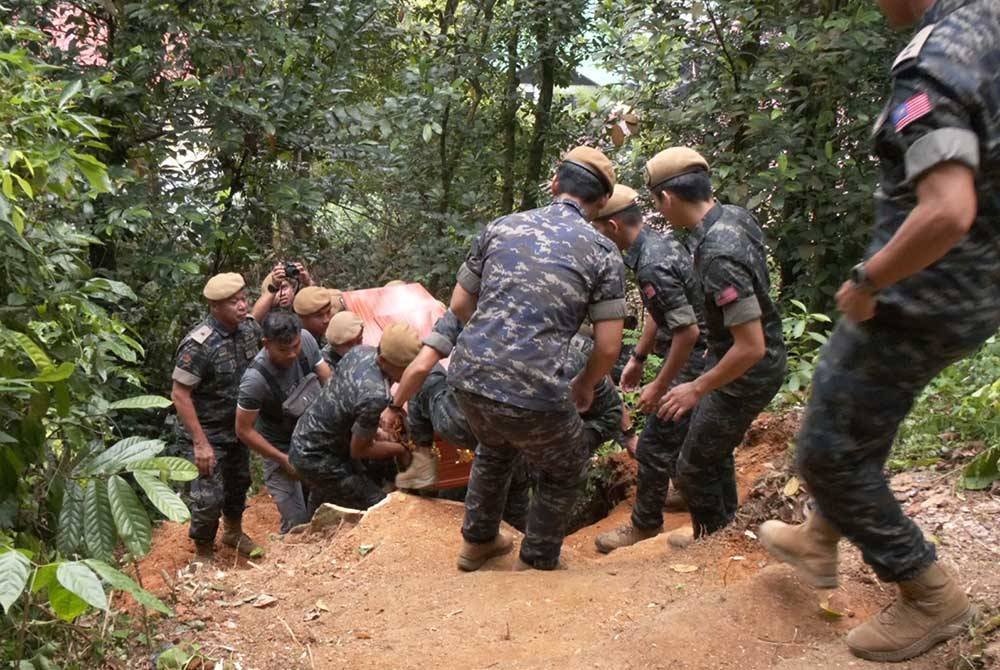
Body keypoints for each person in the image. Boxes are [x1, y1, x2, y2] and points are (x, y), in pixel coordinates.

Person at [759, 0, 997, 661]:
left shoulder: (936, 60)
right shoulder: (990, 26)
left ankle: (928, 594)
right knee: (863, 415)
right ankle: (817, 535)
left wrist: (869, 281)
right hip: (979, 289)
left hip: (919, 296)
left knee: (826, 454)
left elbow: (947, 210)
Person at [445, 145, 627, 571]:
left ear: (555, 184)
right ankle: (538, 559)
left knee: (494, 445)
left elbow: (458, 304)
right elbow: (608, 347)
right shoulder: (603, 254)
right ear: (601, 203)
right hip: (536, 389)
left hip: (468, 376)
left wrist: (494, 346)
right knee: (566, 467)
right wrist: (584, 385)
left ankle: (478, 542)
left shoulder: (500, 227)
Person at [644, 147, 787, 548]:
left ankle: (712, 549)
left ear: (667, 199)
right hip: (737, 361)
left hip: (746, 372)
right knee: (712, 451)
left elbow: (751, 346)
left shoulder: (718, 252)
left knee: (691, 468)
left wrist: (696, 387)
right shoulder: (734, 217)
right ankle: (725, 534)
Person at [589, 185, 708, 554]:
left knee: (655, 443)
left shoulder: (653, 262)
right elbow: (665, 313)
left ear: (612, 226)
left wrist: (661, 383)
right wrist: (639, 359)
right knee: (678, 434)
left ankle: (645, 524)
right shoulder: (659, 246)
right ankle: (684, 490)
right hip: (695, 351)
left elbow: (687, 332)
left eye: (596, 229)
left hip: (696, 355)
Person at [170, 273, 262, 558]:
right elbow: (179, 394)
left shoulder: (248, 329)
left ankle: (233, 533)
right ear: (215, 307)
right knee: (208, 498)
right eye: (233, 302)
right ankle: (204, 552)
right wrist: (200, 443)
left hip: (236, 429)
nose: (242, 305)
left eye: (244, 298)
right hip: (206, 432)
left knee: (238, 485)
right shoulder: (198, 345)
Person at [288, 323, 423, 514]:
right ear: (384, 360)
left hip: (307, 438)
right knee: (379, 506)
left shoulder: (360, 352)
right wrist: (402, 448)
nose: (410, 375)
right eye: (405, 369)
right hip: (317, 457)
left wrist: (375, 431)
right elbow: (359, 450)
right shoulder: (375, 395)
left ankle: (311, 528)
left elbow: (349, 405)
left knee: (324, 497)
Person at [235, 311, 332, 534]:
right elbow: (243, 430)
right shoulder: (255, 380)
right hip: (279, 447)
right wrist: (282, 458)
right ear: (266, 344)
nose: (291, 354)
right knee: (297, 522)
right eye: (283, 350)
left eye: (295, 347)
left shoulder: (306, 340)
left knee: (324, 507)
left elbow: (328, 379)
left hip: (311, 438)